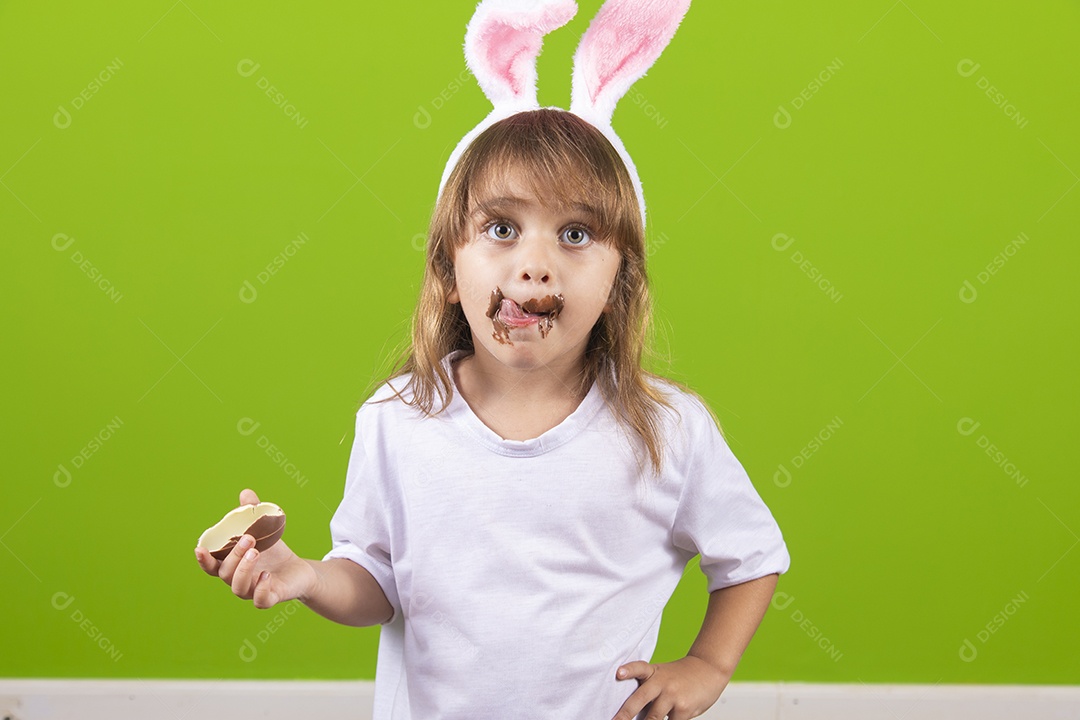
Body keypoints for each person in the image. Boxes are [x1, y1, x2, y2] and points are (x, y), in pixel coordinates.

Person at [196, 2, 789, 719]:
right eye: (501, 227)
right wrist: (305, 576)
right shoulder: (395, 421)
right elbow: (375, 582)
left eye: (575, 233)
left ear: (619, 281)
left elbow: (751, 557)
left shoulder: (669, 430)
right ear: (449, 265)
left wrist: (708, 664)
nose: (535, 264)